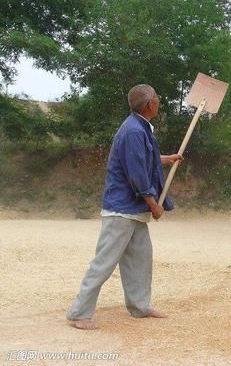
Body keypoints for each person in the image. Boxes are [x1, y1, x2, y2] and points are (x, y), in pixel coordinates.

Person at [67, 84, 183, 330]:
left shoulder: (139, 128)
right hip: (122, 210)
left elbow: (143, 158)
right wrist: (153, 204)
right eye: (157, 98)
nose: (159, 102)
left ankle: (139, 307)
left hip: (133, 211)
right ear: (150, 104)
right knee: (104, 262)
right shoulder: (133, 131)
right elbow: (136, 173)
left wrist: (166, 158)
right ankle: (79, 313)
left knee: (140, 259)